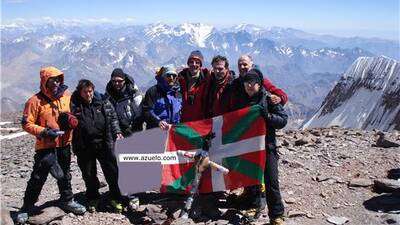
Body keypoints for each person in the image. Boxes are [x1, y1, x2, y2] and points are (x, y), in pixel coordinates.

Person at [16, 66, 86, 224]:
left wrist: (72, 119)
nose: (56, 82)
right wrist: (44, 132)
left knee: (65, 173)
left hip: (64, 143)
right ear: (44, 81)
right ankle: (27, 207)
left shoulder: (66, 96)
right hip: (46, 145)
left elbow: (74, 112)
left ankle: (67, 200)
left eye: (58, 79)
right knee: (38, 176)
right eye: (52, 79)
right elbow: (26, 124)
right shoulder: (35, 101)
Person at [228, 69, 288, 225]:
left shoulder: (269, 100)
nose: (249, 85)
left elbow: (282, 120)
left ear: (259, 84)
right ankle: (254, 206)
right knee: (252, 177)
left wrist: (267, 117)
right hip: (249, 147)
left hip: (267, 146)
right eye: (246, 82)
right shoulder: (241, 101)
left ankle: (276, 215)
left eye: (252, 82)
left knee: (271, 180)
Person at [71, 79, 124, 213]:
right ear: (80, 92)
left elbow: (113, 118)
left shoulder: (103, 101)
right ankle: (93, 197)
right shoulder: (73, 104)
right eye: (85, 92)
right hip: (84, 145)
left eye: (90, 91)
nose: (88, 94)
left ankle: (116, 197)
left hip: (104, 143)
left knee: (112, 171)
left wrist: (117, 132)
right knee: (89, 174)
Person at [105, 68, 143, 136]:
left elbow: (139, 111)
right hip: (119, 129)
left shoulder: (132, 91)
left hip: (136, 126)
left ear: (124, 80)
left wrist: (135, 126)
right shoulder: (109, 95)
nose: (117, 83)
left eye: (120, 81)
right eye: (114, 81)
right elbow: (110, 114)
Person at [142, 66, 182, 130]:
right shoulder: (153, 91)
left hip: (174, 131)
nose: (171, 78)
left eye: (174, 76)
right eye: (168, 75)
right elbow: (147, 111)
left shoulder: (178, 93)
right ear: (163, 77)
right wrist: (158, 122)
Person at [178, 50, 211, 122]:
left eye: (197, 62)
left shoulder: (207, 79)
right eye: (191, 62)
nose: (194, 64)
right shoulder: (180, 79)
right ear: (188, 64)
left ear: (200, 65)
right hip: (183, 121)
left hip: (200, 122)